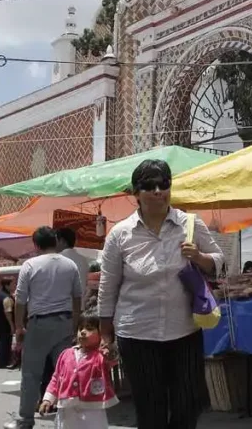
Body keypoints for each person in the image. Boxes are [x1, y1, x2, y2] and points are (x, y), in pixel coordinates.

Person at [98, 159, 224, 429]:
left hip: (184, 330)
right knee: (150, 409)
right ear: (136, 193)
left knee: (188, 403)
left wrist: (200, 257)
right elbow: (107, 288)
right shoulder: (120, 234)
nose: (158, 191)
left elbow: (220, 260)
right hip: (137, 333)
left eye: (164, 184)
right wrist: (106, 334)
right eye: (149, 186)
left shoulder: (189, 223)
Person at [5, 226, 84, 429]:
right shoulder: (70, 265)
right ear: (55, 241)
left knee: (31, 374)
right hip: (64, 323)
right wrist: (75, 325)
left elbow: (21, 299)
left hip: (39, 323)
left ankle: (25, 420)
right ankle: (69, 419)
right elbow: (77, 297)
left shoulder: (30, 265)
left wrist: (19, 327)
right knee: (66, 373)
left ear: (36, 244)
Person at [38, 310, 119, 429]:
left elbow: (112, 360)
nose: (83, 332)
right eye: (80, 328)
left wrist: (109, 350)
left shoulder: (100, 357)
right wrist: (48, 399)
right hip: (66, 409)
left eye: (89, 328)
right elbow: (56, 378)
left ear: (101, 334)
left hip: (92, 410)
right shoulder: (66, 354)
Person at [57, 227, 91, 302]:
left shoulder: (56, 259)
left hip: (61, 308)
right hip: (79, 307)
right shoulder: (83, 260)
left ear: (62, 241)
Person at [0, 277, 16, 369]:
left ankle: (2, 361)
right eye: (13, 284)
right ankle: (4, 361)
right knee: (5, 343)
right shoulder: (6, 297)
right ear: (7, 285)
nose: (14, 286)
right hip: (5, 324)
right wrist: (12, 326)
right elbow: (8, 312)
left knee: (2, 342)